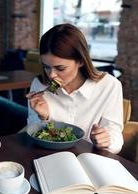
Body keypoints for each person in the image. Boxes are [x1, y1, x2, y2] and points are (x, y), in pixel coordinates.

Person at [26, 23, 123, 154]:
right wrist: (43, 117)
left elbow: (116, 138)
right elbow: (32, 131)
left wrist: (107, 140)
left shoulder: (109, 86)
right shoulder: (39, 85)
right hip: (49, 156)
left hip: (90, 158)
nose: (51, 75)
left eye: (60, 68)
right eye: (46, 67)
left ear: (81, 61)